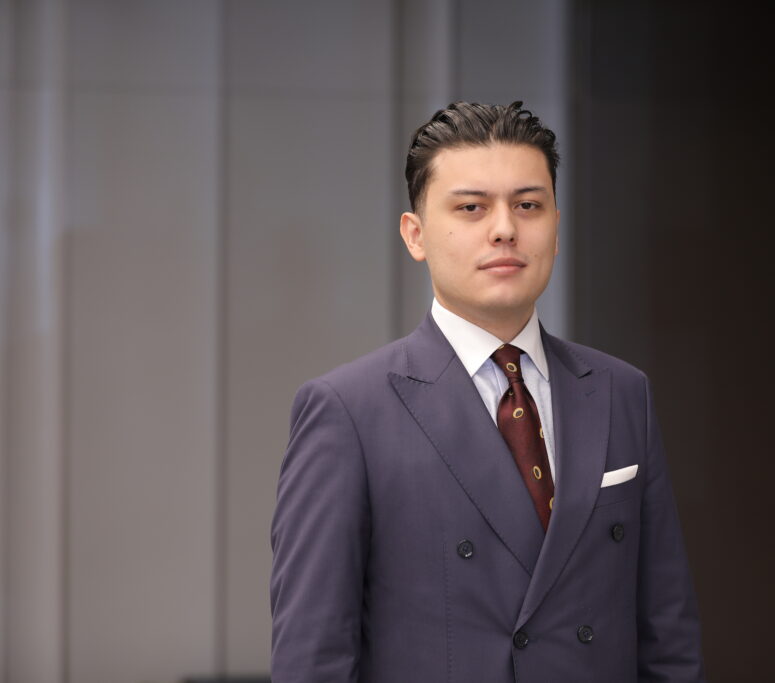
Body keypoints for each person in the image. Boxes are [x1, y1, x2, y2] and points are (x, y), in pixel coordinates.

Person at [270, 101, 705, 682]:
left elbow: (667, 636)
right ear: (415, 235)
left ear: (556, 227)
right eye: (471, 208)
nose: (505, 229)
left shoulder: (622, 392)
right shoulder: (348, 411)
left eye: (528, 205)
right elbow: (312, 658)